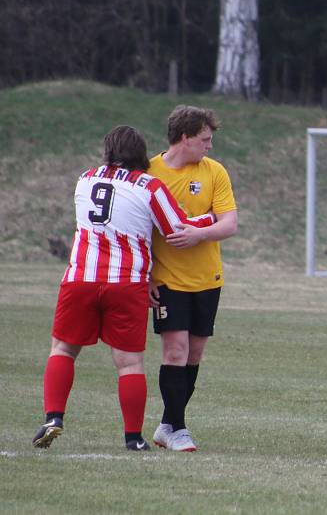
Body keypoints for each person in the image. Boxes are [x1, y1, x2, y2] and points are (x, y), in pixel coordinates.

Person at [32, 125, 215, 451]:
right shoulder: (150, 186)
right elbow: (175, 229)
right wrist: (209, 220)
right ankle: (133, 438)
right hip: (127, 283)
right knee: (129, 364)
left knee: (62, 349)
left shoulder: (85, 179)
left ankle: (53, 416)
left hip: (80, 279)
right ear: (141, 154)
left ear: (108, 151)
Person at [148, 105, 237, 452]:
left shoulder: (214, 172)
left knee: (193, 355)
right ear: (184, 138)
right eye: (204, 140)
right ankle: (179, 429)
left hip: (208, 278)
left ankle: (167, 425)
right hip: (167, 280)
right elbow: (138, 231)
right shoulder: (149, 173)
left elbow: (229, 224)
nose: (209, 146)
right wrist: (146, 277)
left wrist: (199, 234)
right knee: (175, 351)